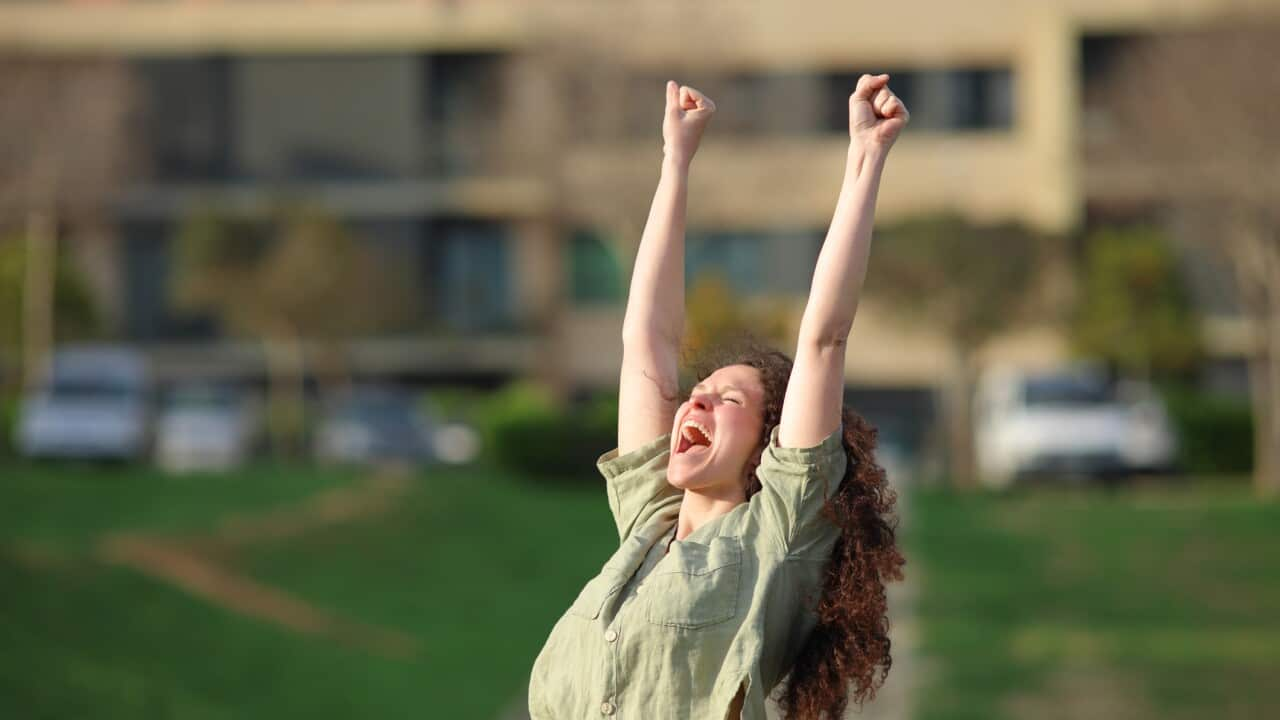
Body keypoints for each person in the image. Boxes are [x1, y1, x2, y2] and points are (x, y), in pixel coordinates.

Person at [528, 75, 908, 720]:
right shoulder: (649, 522)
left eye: (728, 400)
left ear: (768, 447)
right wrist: (675, 160)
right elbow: (647, 339)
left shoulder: (777, 533)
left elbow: (824, 338)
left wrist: (866, 155)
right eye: (697, 393)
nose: (695, 404)